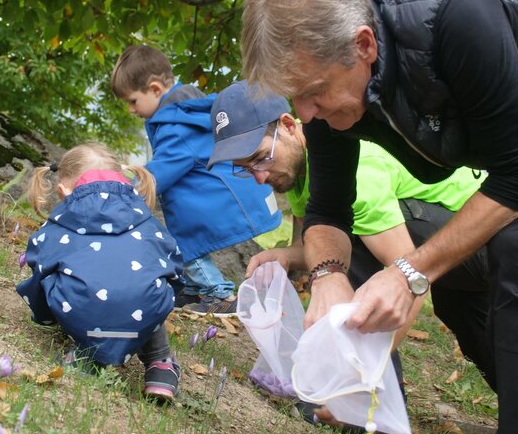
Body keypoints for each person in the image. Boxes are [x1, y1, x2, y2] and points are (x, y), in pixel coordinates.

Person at [241, 0, 518, 434]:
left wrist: (409, 274)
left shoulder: (456, 20)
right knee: (466, 287)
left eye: (315, 93)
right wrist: (327, 277)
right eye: (295, 97)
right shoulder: (329, 87)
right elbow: (328, 210)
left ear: (365, 45)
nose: (305, 113)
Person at [208, 80, 493, 393]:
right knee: (486, 336)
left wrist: (366, 375)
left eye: (261, 158)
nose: (259, 177)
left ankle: (369, 389)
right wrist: (284, 257)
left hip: (486, 241)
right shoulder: (298, 166)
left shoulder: (352, 172)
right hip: (449, 251)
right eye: (246, 169)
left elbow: (412, 278)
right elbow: (311, 245)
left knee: (347, 235)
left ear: (289, 125)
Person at [110, 45, 282, 317]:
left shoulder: (176, 126)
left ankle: (219, 294)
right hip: (215, 195)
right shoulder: (186, 110)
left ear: (155, 89)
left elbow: (162, 171)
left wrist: (125, 192)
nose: (131, 110)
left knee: (184, 243)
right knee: (184, 237)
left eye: (132, 101)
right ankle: (193, 286)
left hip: (211, 201)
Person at [16, 142, 184, 401]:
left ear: (63, 191)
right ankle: (159, 366)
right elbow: (174, 267)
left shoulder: (57, 227)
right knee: (148, 286)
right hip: (145, 313)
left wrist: (44, 316)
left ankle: (87, 355)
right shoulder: (149, 223)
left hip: (84, 313)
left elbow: (38, 268)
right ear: (127, 179)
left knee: (69, 282)